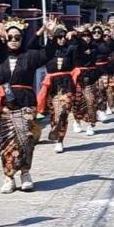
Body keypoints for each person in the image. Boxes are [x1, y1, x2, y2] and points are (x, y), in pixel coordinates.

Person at [0, 15, 56, 193]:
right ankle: (9, 177)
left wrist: (51, 36)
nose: (14, 41)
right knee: (7, 142)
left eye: (17, 38)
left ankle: (25, 173)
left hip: (25, 103)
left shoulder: (29, 56)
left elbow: (47, 54)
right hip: (4, 105)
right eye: (10, 37)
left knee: (26, 139)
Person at [36, 23, 75, 153]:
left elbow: (84, 47)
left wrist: (75, 34)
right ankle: (58, 137)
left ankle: (60, 139)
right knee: (54, 114)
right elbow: (33, 47)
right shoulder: (49, 52)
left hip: (66, 84)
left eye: (64, 36)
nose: (62, 39)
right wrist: (48, 33)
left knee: (64, 111)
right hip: (52, 86)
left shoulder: (70, 50)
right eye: (59, 37)